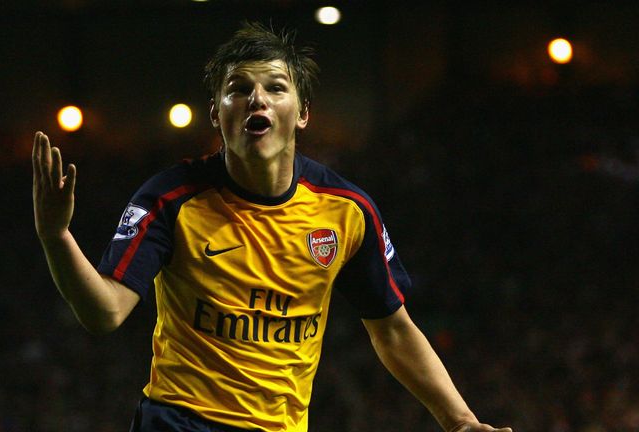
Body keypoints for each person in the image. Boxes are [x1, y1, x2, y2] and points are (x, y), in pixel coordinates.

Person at [32, 22, 512, 432]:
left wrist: (460, 421)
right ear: (217, 113)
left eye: (276, 87)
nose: (256, 98)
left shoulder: (346, 211)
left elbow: (394, 331)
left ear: (302, 113)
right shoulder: (171, 198)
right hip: (181, 420)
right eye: (238, 88)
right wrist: (57, 238)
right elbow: (104, 313)